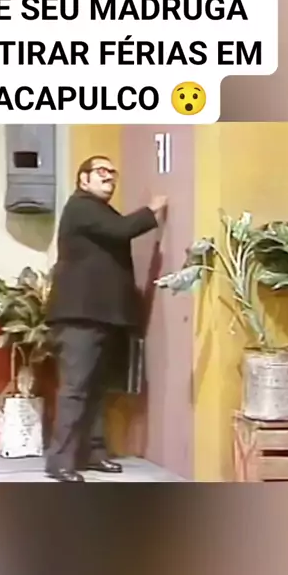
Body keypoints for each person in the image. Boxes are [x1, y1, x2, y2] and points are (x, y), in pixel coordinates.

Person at [44, 154, 167, 482]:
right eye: (101, 171)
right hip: (79, 316)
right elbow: (121, 230)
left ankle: (93, 453)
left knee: (96, 389)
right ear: (83, 179)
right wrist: (152, 210)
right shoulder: (80, 207)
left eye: (113, 172)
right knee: (75, 388)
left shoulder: (100, 210)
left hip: (100, 315)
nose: (109, 176)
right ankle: (60, 461)